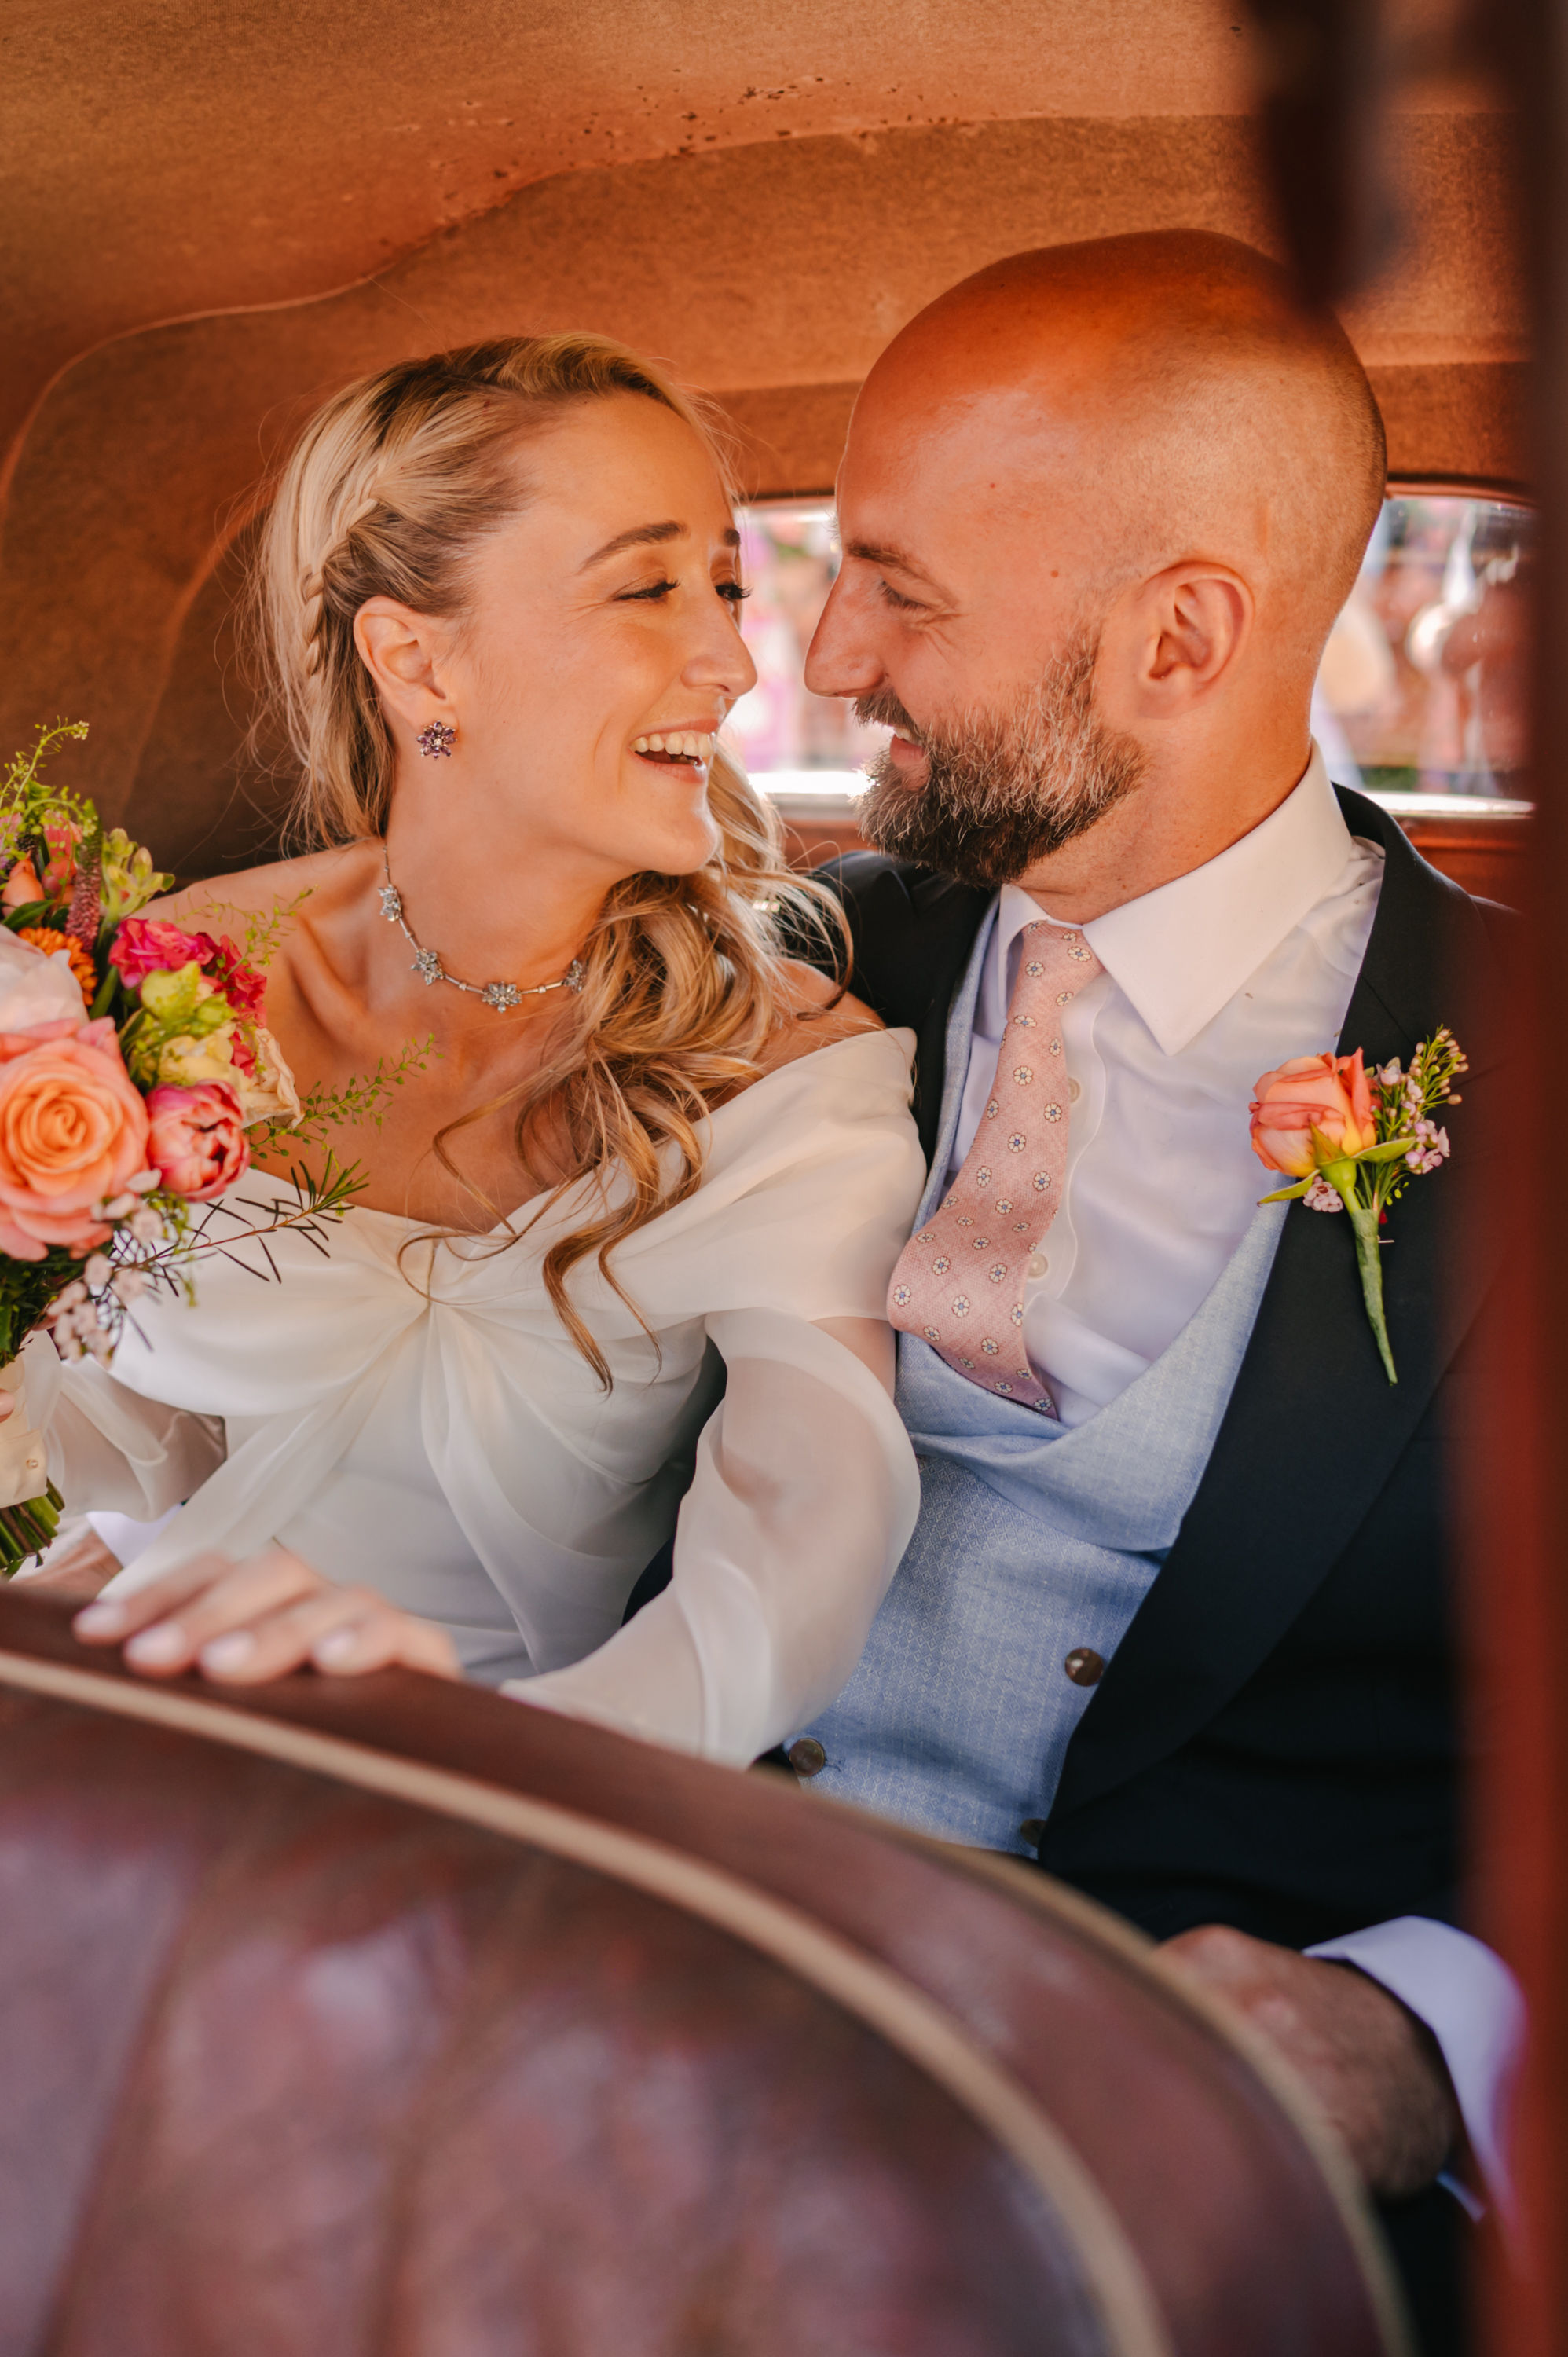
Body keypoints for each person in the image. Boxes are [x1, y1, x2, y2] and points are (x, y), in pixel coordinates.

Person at [779, 233, 1516, 2352]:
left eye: (903, 591)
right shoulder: (780, 971)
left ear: (1181, 636)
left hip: (1171, 2199)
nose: (834, 653)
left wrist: (1419, 2031)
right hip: (673, 1996)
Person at [5, 333, 925, 1768]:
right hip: (127, 1718)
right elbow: (94, 1439)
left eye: (727, 586)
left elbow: (803, 1551)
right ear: (417, 656)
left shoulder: (789, 1070)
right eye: (648, 587)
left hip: (514, 1807)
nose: (735, 660)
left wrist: (477, 1778)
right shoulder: (170, 984)